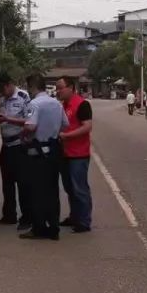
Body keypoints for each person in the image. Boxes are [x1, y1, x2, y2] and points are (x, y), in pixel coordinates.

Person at [16, 73, 67, 240]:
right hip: (54, 151)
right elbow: (65, 124)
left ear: (32, 87)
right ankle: (54, 227)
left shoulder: (35, 104)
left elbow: (30, 126)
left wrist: (22, 134)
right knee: (52, 191)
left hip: (37, 153)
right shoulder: (57, 104)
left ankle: (39, 228)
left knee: (37, 192)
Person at [0, 72, 33, 230]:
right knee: (7, 183)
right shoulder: (2, 99)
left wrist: (7, 119)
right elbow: (3, 121)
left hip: (20, 145)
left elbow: (30, 121)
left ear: (9, 85)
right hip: (6, 146)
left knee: (23, 183)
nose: (2, 93)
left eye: (3, 89)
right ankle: (9, 215)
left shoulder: (24, 97)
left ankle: (27, 218)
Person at [55, 76, 93, 233]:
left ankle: (84, 221)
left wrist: (66, 136)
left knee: (80, 188)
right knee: (69, 188)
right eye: (57, 88)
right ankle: (74, 216)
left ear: (71, 87)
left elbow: (87, 126)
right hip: (64, 153)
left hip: (78, 154)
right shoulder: (62, 106)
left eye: (60, 88)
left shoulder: (82, 104)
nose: (58, 91)